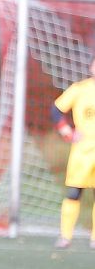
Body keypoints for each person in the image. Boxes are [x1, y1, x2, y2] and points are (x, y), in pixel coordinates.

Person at [51, 57, 95, 250]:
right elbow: (56, 110)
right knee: (74, 192)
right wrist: (67, 132)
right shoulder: (79, 89)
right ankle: (65, 236)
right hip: (83, 151)